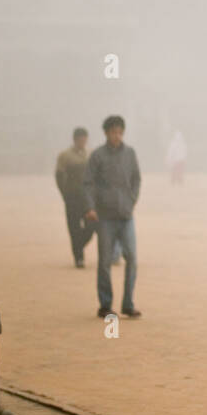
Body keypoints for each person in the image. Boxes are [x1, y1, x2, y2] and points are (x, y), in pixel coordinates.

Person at [83, 115, 142, 318]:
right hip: (105, 217)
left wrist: (132, 199)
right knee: (105, 262)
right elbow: (88, 183)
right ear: (106, 133)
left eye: (119, 132)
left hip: (126, 216)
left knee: (132, 259)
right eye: (113, 132)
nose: (116, 136)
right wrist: (91, 207)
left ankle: (128, 304)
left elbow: (136, 179)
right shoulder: (97, 156)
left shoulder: (130, 154)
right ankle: (105, 305)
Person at [55, 127, 93, 267]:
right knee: (74, 227)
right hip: (72, 196)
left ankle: (78, 245)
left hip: (88, 197)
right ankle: (79, 258)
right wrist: (64, 193)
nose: (83, 142)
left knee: (91, 225)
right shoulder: (65, 156)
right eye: (81, 139)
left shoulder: (90, 154)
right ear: (75, 140)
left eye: (85, 139)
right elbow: (59, 176)